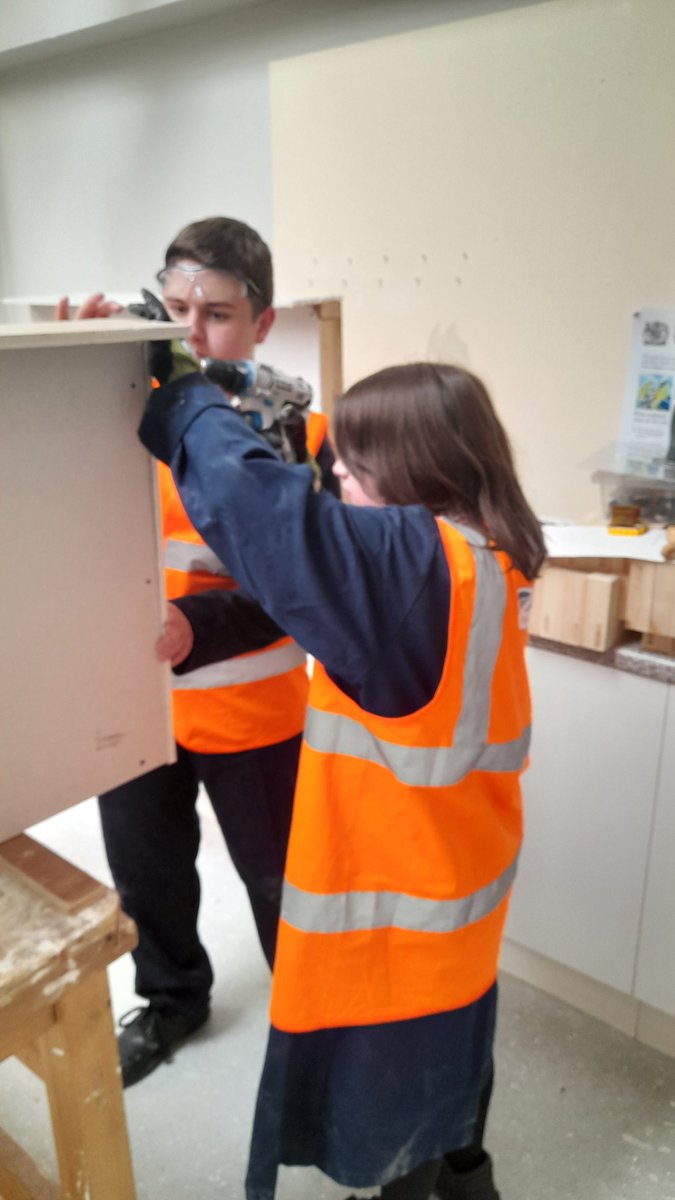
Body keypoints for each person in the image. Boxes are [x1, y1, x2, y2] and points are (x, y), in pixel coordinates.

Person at [138, 357, 546, 1200]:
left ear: (413, 473)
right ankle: (469, 1180)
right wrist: (203, 626)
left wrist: (184, 399)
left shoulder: (416, 568)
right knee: (451, 1082)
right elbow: (299, 590)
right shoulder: (481, 558)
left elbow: (270, 518)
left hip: (397, 932)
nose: (339, 484)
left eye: (353, 469)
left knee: (399, 1128)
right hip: (457, 901)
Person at [57, 216, 339, 1087]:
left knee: (280, 885)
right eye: (174, 307)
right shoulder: (116, 409)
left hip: (254, 706)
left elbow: (306, 583)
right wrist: (59, 377)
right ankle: (173, 999)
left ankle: (315, 1027)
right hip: (134, 700)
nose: (188, 333)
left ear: (263, 322)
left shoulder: (301, 430)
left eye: (215, 314)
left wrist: (198, 627)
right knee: (147, 877)